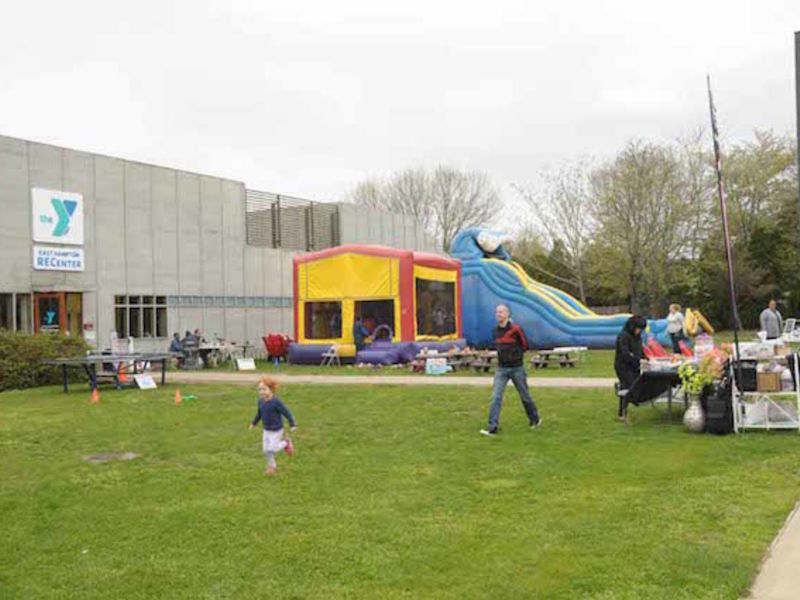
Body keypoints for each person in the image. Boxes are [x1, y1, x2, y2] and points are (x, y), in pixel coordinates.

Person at [480, 304, 541, 436]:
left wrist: (516, 356)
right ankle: (493, 426)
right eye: (497, 312)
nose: (498, 314)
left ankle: (534, 419)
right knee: (496, 397)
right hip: (501, 369)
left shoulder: (516, 329)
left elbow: (525, 345)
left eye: (501, 312)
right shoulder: (495, 331)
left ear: (508, 314)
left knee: (525, 396)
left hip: (517, 368)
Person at [249, 376, 296, 475]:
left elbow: (286, 412)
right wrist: (254, 423)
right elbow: (259, 414)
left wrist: (292, 424)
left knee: (272, 449)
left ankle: (286, 443)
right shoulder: (260, 402)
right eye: (260, 389)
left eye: (264, 389)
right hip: (266, 430)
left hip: (277, 430)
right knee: (266, 450)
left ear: (271, 389)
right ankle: (272, 468)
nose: (262, 392)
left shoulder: (276, 402)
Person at [614, 315, 647, 420]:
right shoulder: (623, 336)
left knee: (634, 385)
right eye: (638, 329)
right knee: (627, 386)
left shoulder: (638, 337)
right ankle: (622, 412)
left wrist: (645, 358)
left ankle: (629, 405)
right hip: (623, 365)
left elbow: (640, 350)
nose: (640, 331)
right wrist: (637, 359)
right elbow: (625, 353)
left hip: (634, 365)